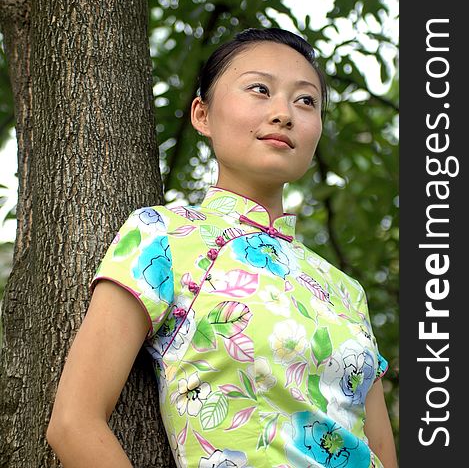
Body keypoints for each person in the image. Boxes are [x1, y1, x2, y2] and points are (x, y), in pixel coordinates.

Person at [47, 27, 398, 467]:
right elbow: (74, 421)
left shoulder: (346, 290)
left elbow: (383, 455)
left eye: (305, 100)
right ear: (202, 114)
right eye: (259, 89)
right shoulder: (165, 235)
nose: (284, 113)